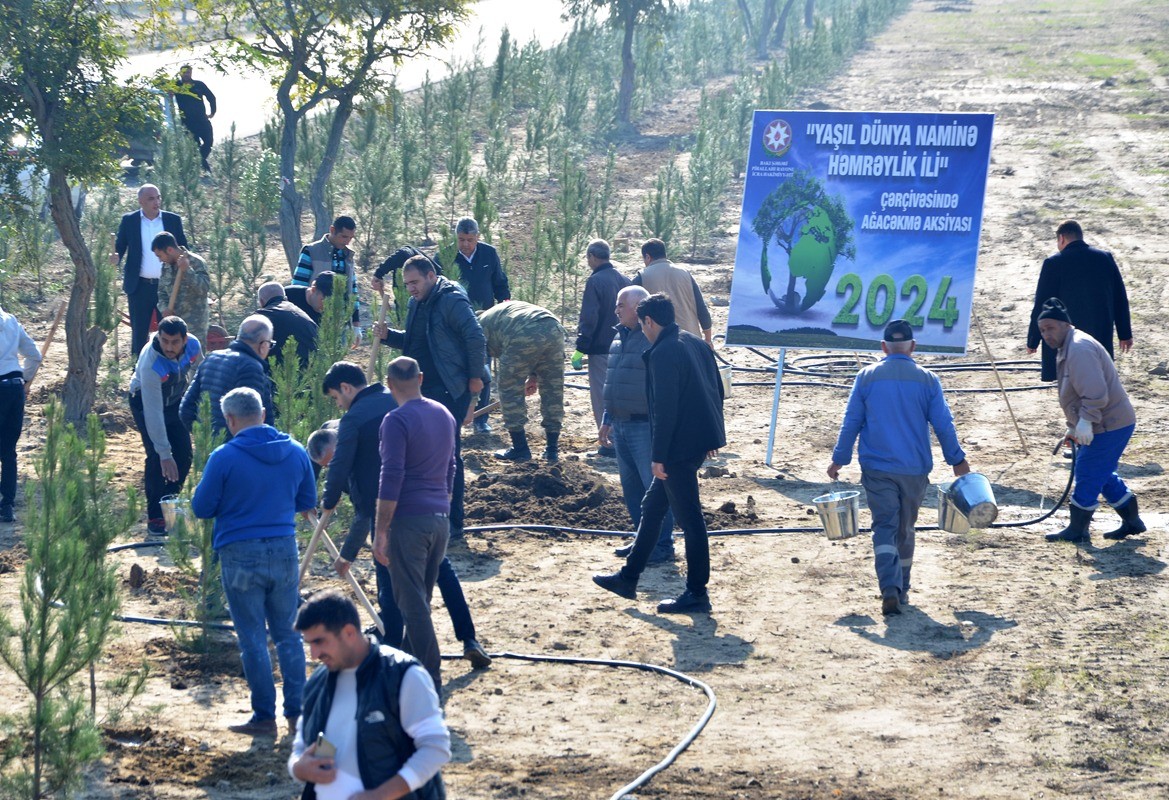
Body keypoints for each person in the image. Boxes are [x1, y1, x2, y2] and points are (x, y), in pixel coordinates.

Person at [313, 362, 490, 669]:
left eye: (335, 397)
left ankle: (404, 655)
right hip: (433, 510)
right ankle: (468, 638)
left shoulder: (356, 418)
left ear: (346, 387)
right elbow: (451, 462)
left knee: (396, 591)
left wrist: (328, 502)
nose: (338, 404)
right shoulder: (409, 405)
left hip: (392, 512)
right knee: (442, 575)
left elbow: (343, 468)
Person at [190, 387, 316, 736]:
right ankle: (297, 714)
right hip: (284, 548)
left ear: (230, 419)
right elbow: (307, 500)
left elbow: (202, 508)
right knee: (288, 634)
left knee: (252, 638)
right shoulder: (295, 451)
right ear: (263, 413)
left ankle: (264, 716)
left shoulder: (223, 457)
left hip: (239, 552)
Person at [826, 319, 971, 616]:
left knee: (884, 526)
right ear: (913, 347)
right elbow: (943, 424)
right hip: (915, 469)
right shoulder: (928, 380)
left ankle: (889, 588)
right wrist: (957, 460)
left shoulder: (866, 377)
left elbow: (851, 421)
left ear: (883, 347)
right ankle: (902, 588)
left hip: (877, 467)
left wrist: (839, 458)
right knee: (906, 528)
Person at [592, 293, 725, 614]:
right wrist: (711, 435)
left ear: (650, 321)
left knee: (691, 521)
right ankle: (629, 577)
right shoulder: (693, 341)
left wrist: (659, 455)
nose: (643, 330)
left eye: (643, 324)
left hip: (678, 448)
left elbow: (663, 409)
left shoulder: (664, 351)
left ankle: (696, 593)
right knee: (652, 507)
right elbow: (716, 388)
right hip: (695, 440)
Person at [289, 592, 449, 800]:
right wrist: (298, 768)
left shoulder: (402, 675)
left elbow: (435, 748)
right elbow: (301, 745)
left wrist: (380, 795)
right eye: (309, 643)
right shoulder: (317, 683)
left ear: (349, 632)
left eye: (319, 641)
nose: (313, 654)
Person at [372, 255, 486, 541]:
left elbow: (475, 337)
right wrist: (388, 336)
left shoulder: (451, 300)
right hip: (423, 388)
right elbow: (414, 341)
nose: (410, 288)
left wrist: (475, 380)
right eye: (406, 283)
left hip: (450, 388)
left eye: (415, 282)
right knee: (420, 454)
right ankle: (427, 516)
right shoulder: (416, 302)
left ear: (431, 277)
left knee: (448, 455)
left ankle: (454, 524)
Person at [373, 357, 456, 693]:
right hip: (439, 519)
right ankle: (406, 673)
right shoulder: (443, 414)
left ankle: (430, 680)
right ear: (420, 378)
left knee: (412, 604)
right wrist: (442, 504)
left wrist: (380, 531)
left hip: (409, 521)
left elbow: (391, 475)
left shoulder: (395, 420)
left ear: (389, 383)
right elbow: (451, 467)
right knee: (419, 598)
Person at [1035, 298, 1147, 543]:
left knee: (1087, 470)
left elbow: (1095, 393)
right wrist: (1074, 427)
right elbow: (1077, 394)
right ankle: (1132, 521)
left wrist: (1086, 421)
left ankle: (1078, 530)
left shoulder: (1079, 349)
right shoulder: (1069, 346)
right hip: (1107, 422)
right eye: (1042, 330)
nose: (1046, 334)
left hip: (1111, 423)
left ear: (1066, 325)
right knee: (1101, 472)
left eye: (1051, 327)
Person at [600, 286, 673, 564]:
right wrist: (607, 418)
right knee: (632, 490)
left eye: (621, 305)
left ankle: (662, 545)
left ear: (639, 307)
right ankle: (641, 540)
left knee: (654, 490)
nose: (616, 309)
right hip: (621, 424)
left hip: (645, 427)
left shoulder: (652, 339)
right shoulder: (618, 338)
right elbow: (612, 381)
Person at [1026, 219, 1134, 382]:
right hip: (1099, 335)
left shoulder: (1053, 263)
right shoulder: (1105, 258)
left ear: (1061, 238)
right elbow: (1119, 298)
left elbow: (1042, 304)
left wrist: (1033, 340)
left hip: (1067, 338)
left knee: (1072, 383)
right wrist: (1124, 333)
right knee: (1097, 378)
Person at [129, 316, 201, 536]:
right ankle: (156, 516)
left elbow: (202, 377)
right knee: (157, 459)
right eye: (164, 341)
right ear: (158, 337)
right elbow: (153, 413)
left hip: (176, 400)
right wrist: (163, 452)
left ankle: (171, 501)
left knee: (185, 454)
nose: (169, 347)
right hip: (145, 402)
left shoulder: (194, 346)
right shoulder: (152, 364)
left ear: (185, 339)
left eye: (174, 342)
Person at [477, 300, 566, 463]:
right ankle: (552, 450)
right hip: (554, 328)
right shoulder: (498, 314)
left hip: (523, 332)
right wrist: (533, 376)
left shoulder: (478, 327)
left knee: (509, 389)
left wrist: (471, 402)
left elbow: (478, 370)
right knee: (553, 389)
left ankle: (520, 449)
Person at [113, 184, 188, 358]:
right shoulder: (129, 221)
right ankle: (138, 373)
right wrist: (114, 258)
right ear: (140, 202)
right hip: (139, 286)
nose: (156, 202)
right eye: (151, 199)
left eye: (158, 197)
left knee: (169, 331)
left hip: (168, 286)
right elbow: (119, 248)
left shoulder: (172, 220)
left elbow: (184, 248)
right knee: (139, 332)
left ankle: (169, 370)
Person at [572, 239, 630, 455]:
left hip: (601, 349)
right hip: (625, 346)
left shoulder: (595, 281)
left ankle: (609, 442)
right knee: (621, 393)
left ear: (592, 257)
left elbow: (590, 317)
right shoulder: (624, 279)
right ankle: (623, 440)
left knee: (602, 396)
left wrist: (581, 347)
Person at [452, 219, 510, 433]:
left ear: (477, 237)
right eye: (461, 240)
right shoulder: (446, 256)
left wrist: (505, 307)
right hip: (456, 322)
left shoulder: (489, 254)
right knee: (457, 369)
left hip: (484, 322)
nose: (465, 244)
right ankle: (457, 416)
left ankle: (481, 419)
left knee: (482, 368)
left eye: (470, 240)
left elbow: (501, 284)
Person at [180, 315, 275, 437]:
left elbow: (185, 409)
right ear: (264, 345)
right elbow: (258, 422)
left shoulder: (211, 358)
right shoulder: (252, 368)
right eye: (270, 344)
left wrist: (204, 440)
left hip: (208, 450)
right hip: (238, 451)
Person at [0, 305, 42, 523]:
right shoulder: (11, 320)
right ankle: (7, 505)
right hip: (14, 388)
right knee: (8, 451)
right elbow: (34, 355)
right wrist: (25, 382)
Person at [633, 238, 713, 347]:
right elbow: (701, 308)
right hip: (691, 340)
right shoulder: (685, 274)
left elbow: (631, 311)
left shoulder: (642, 277)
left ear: (647, 256)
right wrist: (708, 340)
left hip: (659, 344)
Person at [292, 216, 360, 329]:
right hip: (312, 321)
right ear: (332, 230)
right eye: (344, 236)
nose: (347, 241)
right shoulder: (311, 251)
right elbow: (298, 286)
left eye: (351, 238)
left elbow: (352, 290)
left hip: (340, 323)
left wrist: (356, 324)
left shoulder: (348, 255)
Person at [152, 232, 211, 348]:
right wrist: (164, 309)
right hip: (174, 326)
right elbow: (162, 292)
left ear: (169, 250)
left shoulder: (196, 262)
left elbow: (204, 289)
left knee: (195, 361)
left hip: (195, 325)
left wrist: (187, 271)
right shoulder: (166, 266)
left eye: (160, 256)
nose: (159, 260)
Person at [255, 282, 319, 368]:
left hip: (280, 375)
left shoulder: (261, 317)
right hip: (313, 371)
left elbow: (242, 347)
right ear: (286, 298)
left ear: (261, 302)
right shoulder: (303, 315)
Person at [174, 65, 217, 172]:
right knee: (194, 146)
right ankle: (204, 168)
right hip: (187, 123)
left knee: (209, 142)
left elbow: (211, 98)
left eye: (188, 72)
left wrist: (212, 113)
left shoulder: (199, 85)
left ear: (191, 73)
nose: (186, 74)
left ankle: (198, 163)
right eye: (184, 72)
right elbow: (162, 89)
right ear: (180, 73)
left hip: (202, 120)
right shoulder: (176, 86)